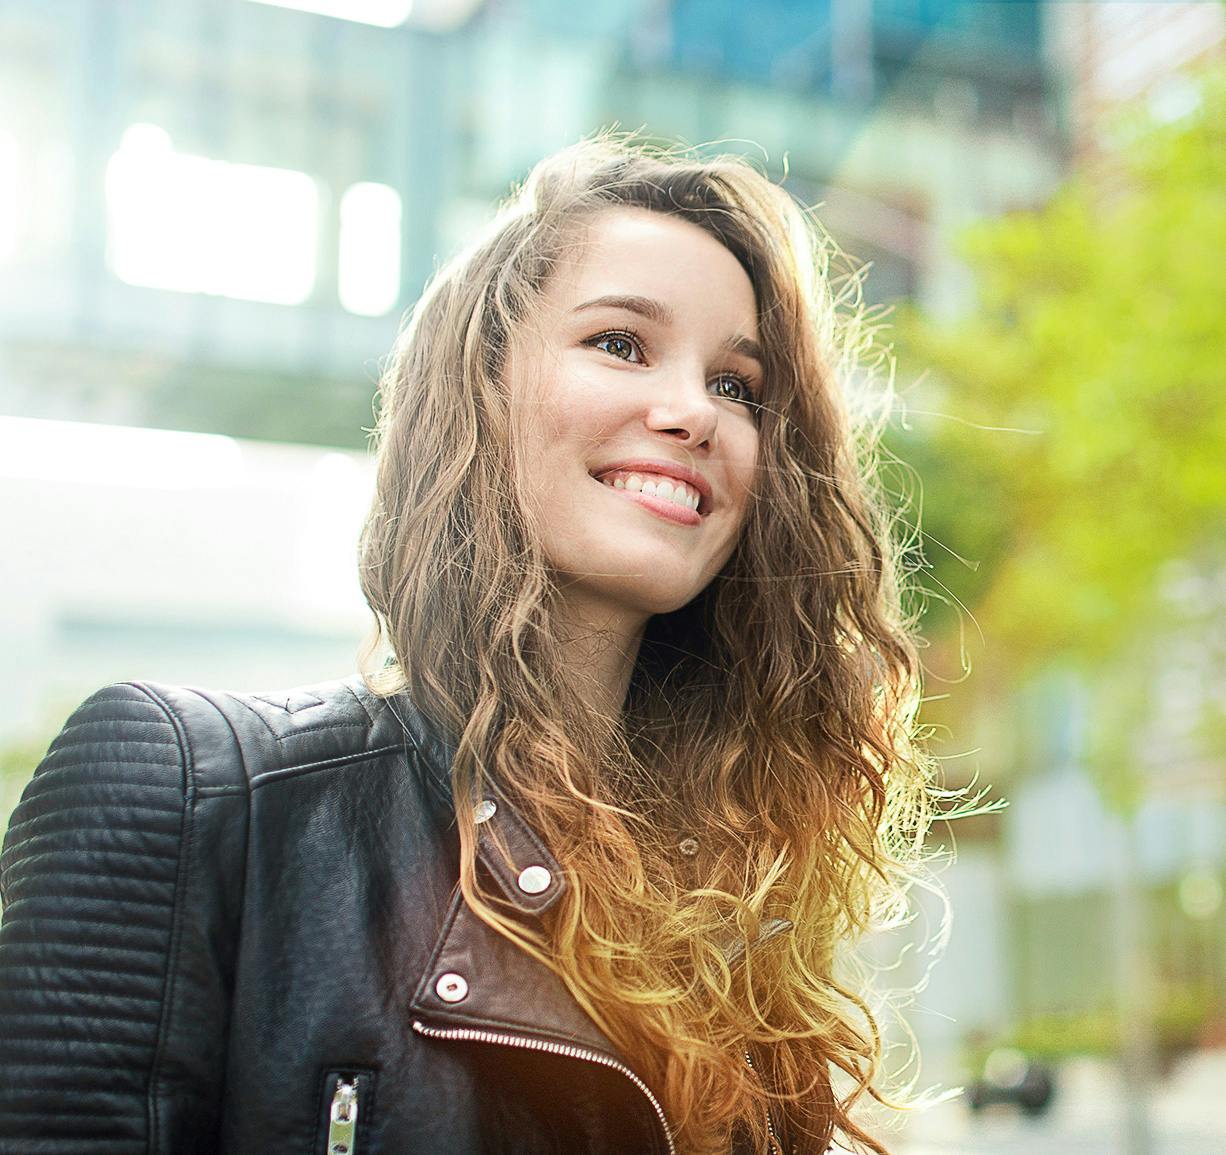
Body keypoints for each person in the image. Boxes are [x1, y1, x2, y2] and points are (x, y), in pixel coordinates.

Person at [0, 136, 939, 1154]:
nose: (690, 413)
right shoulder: (191, 788)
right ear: (481, 390)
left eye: (737, 385)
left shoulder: (736, 911)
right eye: (619, 343)